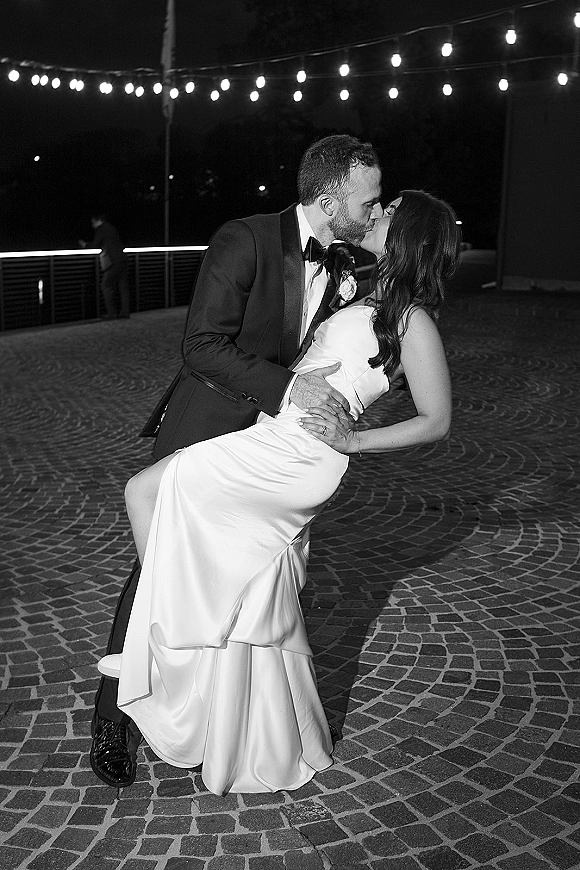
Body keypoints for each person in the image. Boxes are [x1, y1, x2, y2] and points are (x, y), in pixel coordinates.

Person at [96, 190, 461, 796]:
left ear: (406, 236)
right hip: (276, 436)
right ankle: (226, 712)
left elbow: (437, 419)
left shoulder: (412, 318)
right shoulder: (363, 290)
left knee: (145, 493)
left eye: (389, 209)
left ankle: (166, 646)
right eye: (375, 201)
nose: (377, 212)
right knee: (249, 583)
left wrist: (354, 440)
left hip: (299, 453)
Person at [80, 212, 130, 319]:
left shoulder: (101, 229)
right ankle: (125, 312)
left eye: (93, 223)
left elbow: (95, 244)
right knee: (123, 287)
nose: (92, 225)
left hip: (113, 261)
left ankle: (112, 313)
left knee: (105, 285)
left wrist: (85, 245)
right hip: (122, 259)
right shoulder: (111, 228)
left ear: (98, 221)